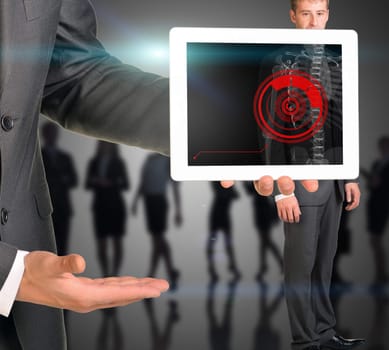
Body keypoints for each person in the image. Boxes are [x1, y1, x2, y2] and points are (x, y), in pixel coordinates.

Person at [0, 0, 316, 347]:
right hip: (25, 274)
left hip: (31, 264)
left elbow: (69, 73)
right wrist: (11, 273)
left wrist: (221, 124)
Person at [270, 1, 364, 349]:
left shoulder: (338, 57)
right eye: (306, 13)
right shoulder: (276, 58)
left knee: (324, 263)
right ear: (293, 15)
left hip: (334, 178)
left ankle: (324, 334)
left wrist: (350, 175)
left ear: (328, 14)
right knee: (301, 263)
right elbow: (269, 127)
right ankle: (305, 341)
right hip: (298, 178)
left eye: (320, 13)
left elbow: (344, 120)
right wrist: (282, 189)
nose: (314, 21)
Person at [132, 153, 182, 290]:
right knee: (157, 239)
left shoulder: (168, 159)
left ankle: (152, 274)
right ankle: (170, 271)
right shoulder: (150, 158)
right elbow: (143, 181)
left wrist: (178, 210)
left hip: (159, 201)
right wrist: (136, 201)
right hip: (149, 202)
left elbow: (175, 185)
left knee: (158, 239)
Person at [85, 141, 129, 277]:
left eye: (107, 144)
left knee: (117, 241)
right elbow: (86, 184)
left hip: (116, 205)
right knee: (101, 242)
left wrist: (111, 182)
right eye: (102, 144)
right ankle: (105, 274)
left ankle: (115, 274)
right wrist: (96, 181)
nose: (105, 146)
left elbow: (127, 184)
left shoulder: (119, 162)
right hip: (100, 206)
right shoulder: (93, 162)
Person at [41, 121, 78, 257]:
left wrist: (61, 179)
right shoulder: (37, 157)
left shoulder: (66, 157)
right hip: (44, 208)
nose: (52, 136)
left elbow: (75, 181)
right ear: (44, 135)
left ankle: (62, 275)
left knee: (62, 245)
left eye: (54, 133)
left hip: (63, 207)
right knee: (44, 246)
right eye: (49, 133)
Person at [361, 135, 389, 288]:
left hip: (382, 205)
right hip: (374, 204)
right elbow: (372, 186)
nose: (383, 149)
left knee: (376, 240)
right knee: (374, 241)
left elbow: (379, 185)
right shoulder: (377, 163)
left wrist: (374, 181)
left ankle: (381, 275)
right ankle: (380, 274)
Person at [206, 182, 241, 282]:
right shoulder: (218, 181)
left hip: (222, 212)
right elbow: (233, 195)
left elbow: (235, 195)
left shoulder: (227, 181)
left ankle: (231, 266)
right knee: (216, 242)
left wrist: (230, 192)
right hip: (218, 212)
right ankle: (213, 268)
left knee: (226, 242)